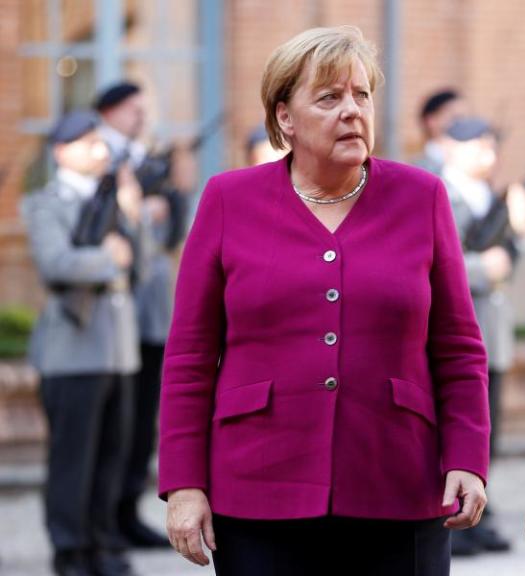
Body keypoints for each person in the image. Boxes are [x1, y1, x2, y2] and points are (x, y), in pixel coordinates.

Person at [159, 27, 490, 576]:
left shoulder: (421, 197)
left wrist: (467, 459)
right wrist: (185, 484)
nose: (352, 111)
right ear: (285, 117)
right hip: (259, 487)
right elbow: (190, 357)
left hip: (398, 480)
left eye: (362, 95)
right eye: (329, 98)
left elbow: (458, 348)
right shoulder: (227, 200)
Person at [22, 110, 144, 576]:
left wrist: (134, 221)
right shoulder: (45, 203)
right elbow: (55, 264)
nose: (99, 149)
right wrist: (106, 257)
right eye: (87, 141)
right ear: (61, 151)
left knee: (112, 453)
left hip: (118, 348)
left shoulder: (113, 199)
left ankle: (102, 543)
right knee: (73, 458)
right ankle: (70, 549)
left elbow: (145, 267)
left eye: (100, 141)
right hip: (70, 351)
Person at [92, 80, 179, 550]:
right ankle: (105, 519)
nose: (140, 117)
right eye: (132, 109)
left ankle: (126, 509)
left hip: (150, 308)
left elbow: (172, 229)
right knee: (114, 424)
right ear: (108, 111)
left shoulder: (146, 156)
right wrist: (137, 210)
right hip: (113, 307)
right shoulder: (94, 156)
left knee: (142, 415)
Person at [440, 117, 518, 557]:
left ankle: (479, 516)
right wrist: (481, 269)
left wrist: (516, 240)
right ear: (450, 147)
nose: (485, 154)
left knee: (488, 430)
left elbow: (504, 258)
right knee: (460, 426)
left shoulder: (490, 194)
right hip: (462, 322)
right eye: (475, 145)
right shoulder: (439, 193)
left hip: (493, 326)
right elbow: (435, 262)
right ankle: (456, 522)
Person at [413, 89, 466, 174]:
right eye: (454, 117)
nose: (461, 124)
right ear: (431, 121)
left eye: (464, 117)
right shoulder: (420, 168)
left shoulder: (472, 163)